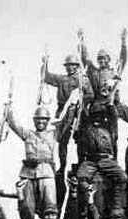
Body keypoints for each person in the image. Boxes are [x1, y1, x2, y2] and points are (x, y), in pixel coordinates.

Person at [43, 53, 94, 203]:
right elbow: (46, 77)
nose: (70, 68)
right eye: (68, 65)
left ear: (77, 66)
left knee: (78, 141)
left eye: (73, 65)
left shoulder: (82, 80)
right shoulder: (62, 79)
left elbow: (90, 95)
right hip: (63, 114)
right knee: (62, 142)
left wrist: (80, 98)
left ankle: (77, 166)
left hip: (77, 114)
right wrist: (44, 63)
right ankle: (62, 165)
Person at [6, 105, 58, 217]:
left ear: (48, 121)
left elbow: (67, 124)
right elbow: (13, 124)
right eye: (38, 119)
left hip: (46, 174)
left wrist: (72, 106)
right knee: (26, 207)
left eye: (44, 119)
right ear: (34, 120)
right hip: (28, 174)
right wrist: (8, 109)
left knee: (50, 206)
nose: (41, 121)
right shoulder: (28, 134)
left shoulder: (53, 134)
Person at [76, 102, 127, 218]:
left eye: (100, 115)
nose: (97, 118)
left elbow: (113, 116)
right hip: (90, 161)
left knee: (122, 177)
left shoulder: (110, 129)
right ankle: (87, 207)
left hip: (106, 160)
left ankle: (116, 206)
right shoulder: (87, 128)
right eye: (94, 115)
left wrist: (110, 105)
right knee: (81, 179)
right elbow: (82, 114)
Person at [79, 28, 128, 102]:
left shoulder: (114, 72)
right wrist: (81, 41)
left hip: (113, 104)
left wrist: (123, 42)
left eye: (104, 58)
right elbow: (85, 58)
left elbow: (122, 59)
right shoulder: (94, 72)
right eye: (99, 59)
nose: (102, 61)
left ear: (108, 59)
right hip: (98, 104)